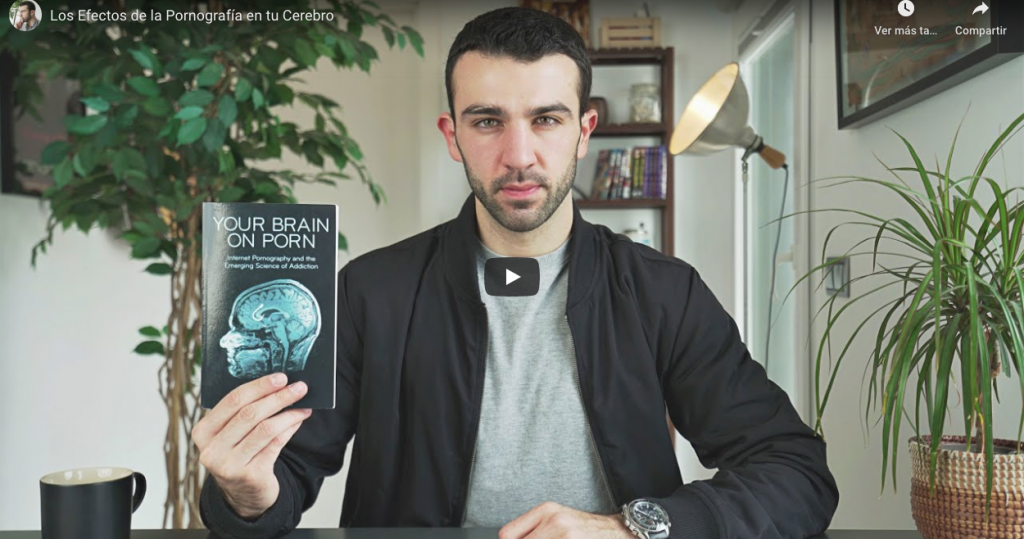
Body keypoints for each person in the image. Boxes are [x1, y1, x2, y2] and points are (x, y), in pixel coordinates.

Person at [193, 7, 839, 539]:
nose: (518, 155)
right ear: (452, 135)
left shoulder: (665, 293)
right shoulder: (369, 293)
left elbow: (797, 471)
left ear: (584, 130)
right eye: (487, 121)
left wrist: (631, 528)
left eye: (546, 119)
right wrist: (246, 491)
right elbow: (283, 480)